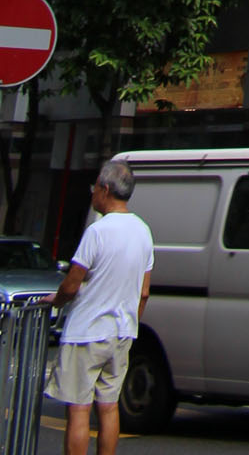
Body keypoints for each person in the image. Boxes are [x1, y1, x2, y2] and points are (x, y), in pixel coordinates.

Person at [49, 158, 155, 455]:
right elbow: (144, 292)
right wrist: (131, 325)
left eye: (94, 187)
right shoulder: (143, 232)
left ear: (105, 189)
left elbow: (72, 284)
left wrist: (56, 301)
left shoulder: (98, 230)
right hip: (121, 333)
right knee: (109, 409)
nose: (93, 192)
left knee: (79, 410)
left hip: (87, 332)